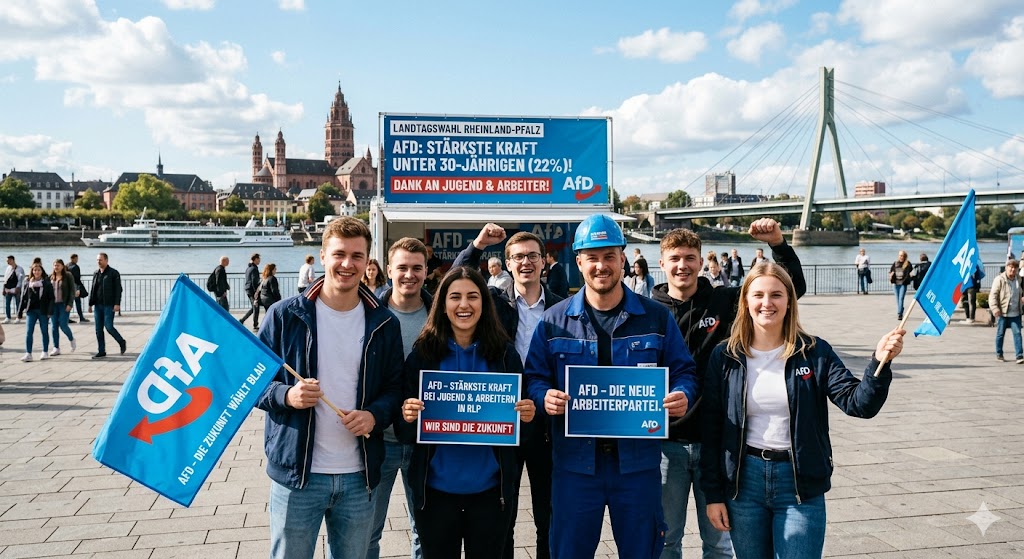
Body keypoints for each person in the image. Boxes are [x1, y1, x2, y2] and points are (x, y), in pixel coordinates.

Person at [700, 263, 905, 558]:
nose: (767, 303)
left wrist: (879, 363)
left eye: (776, 295)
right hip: (744, 485)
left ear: (789, 301)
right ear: (745, 300)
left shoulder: (814, 351)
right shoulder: (725, 356)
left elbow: (859, 404)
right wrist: (714, 494)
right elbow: (712, 427)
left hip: (798, 484)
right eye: (758, 295)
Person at [524, 213, 698, 559]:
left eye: (608, 256)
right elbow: (534, 377)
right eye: (592, 258)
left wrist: (683, 395)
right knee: (569, 551)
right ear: (579, 262)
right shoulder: (553, 320)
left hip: (638, 465)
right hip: (575, 465)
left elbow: (684, 371)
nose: (601, 266)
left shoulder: (655, 317)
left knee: (643, 551)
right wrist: (545, 398)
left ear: (623, 259)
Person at [653, 218, 805, 559]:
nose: (682, 266)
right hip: (665, 445)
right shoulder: (646, 311)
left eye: (690, 257)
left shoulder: (726, 302)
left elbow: (789, 289)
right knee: (664, 541)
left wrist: (779, 245)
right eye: (675, 258)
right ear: (661, 263)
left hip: (719, 443)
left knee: (720, 543)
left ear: (702, 260)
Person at [255, 216, 403, 559]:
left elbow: (395, 388)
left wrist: (375, 416)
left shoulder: (384, 322)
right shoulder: (284, 315)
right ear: (322, 256)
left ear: (368, 263)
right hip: (297, 475)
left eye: (356, 256)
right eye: (339, 254)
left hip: (359, 476)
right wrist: (286, 395)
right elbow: (251, 382)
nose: (347, 264)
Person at [398, 266, 537, 558]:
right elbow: (405, 432)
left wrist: (526, 416)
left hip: (491, 495)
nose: (464, 305)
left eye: (473, 296)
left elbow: (521, 433)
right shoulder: (423, 354)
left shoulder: (504, 355)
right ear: (443, 305)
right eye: (455, 297)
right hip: (434, 495)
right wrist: (407, 415)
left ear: (484, 304)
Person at [454, 224, 565, 559]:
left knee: (550, 514)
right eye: (518, 257)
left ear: (544, 261)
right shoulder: (492, 304)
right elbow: (459, 277)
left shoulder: (564, 308)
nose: (525, 262)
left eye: (532, 255)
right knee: (502, 514)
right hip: (506, 421)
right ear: (507, 263)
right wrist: (477, 245)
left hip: (549, 423)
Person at [368, 237, 433, 559]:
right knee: (367, 530)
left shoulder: (441, 316)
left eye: (417, 268)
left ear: (426, 271)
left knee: (426, 530)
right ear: (389, 270)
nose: (410, 274)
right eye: (402, 267)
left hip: (426, 442)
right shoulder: (368, 315)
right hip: (378, 440)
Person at [88, 252, 126, 359]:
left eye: (100, 260)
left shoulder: (114, 273)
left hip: (109, 305)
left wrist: (117, 303)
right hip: (98, 305)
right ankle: (101, 350)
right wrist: (90, 304)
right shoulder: (96, 273)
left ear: (106, 260)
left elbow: (118, 290)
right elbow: (93, 289)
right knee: (98, 329)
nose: (98, 262)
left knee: (108, 326)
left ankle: (121, 341)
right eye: (97, 260)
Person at [18, 262, 54, 362]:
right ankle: (28, 353)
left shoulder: (46, 283)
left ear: (41, 271)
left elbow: (51, 298)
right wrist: (20, 311)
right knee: (29, 332)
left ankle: (45, 351)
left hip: (43, 310)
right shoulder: (28, 283)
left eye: (38, 270)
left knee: (44, 331)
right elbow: (24, 298)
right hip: (31, 311)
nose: (36, 272)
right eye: (34, 270)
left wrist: (50, 311)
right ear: (32, 271)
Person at [990, 259, 1023, 363]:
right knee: (1000, 334)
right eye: (1011, 267)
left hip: (1015, 312)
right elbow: (993, 295)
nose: (1013, 270)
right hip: (1002, 312)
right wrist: (995, 309)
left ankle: (1019, 356)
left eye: (1015, 268)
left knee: (1017, 333)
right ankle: (999, 354)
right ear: (1006, 268)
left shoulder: (1019, 279)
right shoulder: (999, 279)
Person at [49, 259, 77, 356]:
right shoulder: (51, 277)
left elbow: (72, 291)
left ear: (62, 266)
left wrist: (70, 304)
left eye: (58, 265)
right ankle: (56, 347)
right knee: (53, 326)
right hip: (53, 305)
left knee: (63, 324)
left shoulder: (68, 276)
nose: (56, 267)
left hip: (63, 304)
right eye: (55, 265)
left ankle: (71, 339)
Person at [239, 253, 262, 330]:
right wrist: (256, 292)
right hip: (252, 290)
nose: (259, 260)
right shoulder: (254, 269)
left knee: (254, 306)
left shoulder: (248, 268)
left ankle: (242, 320)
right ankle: (255, 325)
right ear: (255, 259)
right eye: (258, 259)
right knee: (256, 306)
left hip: (248, 288)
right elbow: (254, 281)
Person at [889, 250, 912, 320]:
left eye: (902, 255)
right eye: (899, 255)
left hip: (903, 283)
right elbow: (891, 271)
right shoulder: (895, 263)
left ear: (904, 256)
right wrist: (891, 275)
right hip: (896, 283)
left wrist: (909, 277)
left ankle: (899, 314)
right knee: (897, 299)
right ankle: (901, 308)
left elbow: (910, 272)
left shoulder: (907, 264)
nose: (900, 257)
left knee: (901, 299)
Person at [67, 253, 89, 322]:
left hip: (68, 286)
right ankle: (81, 317)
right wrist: (79, 287)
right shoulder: (75, 267)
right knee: (78, 302)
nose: (77, 260)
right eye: (76, 259)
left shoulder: (67, 265)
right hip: (75, 286)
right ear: (73, 259)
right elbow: (77, 278)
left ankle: (67, 317)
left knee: (69, 302)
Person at [3, 255, 25, 324]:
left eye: (8, 260)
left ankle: (18, 317)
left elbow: (20, 279)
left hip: (16, 289)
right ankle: (8, 317)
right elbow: (5, 279)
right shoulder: (8, 268)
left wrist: (18, 288)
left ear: (12, 260)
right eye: (7, 261)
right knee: (7, 304)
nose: (7, 262)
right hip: (8, 289)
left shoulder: (20, 269)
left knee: (18, 303)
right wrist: (3, 288)